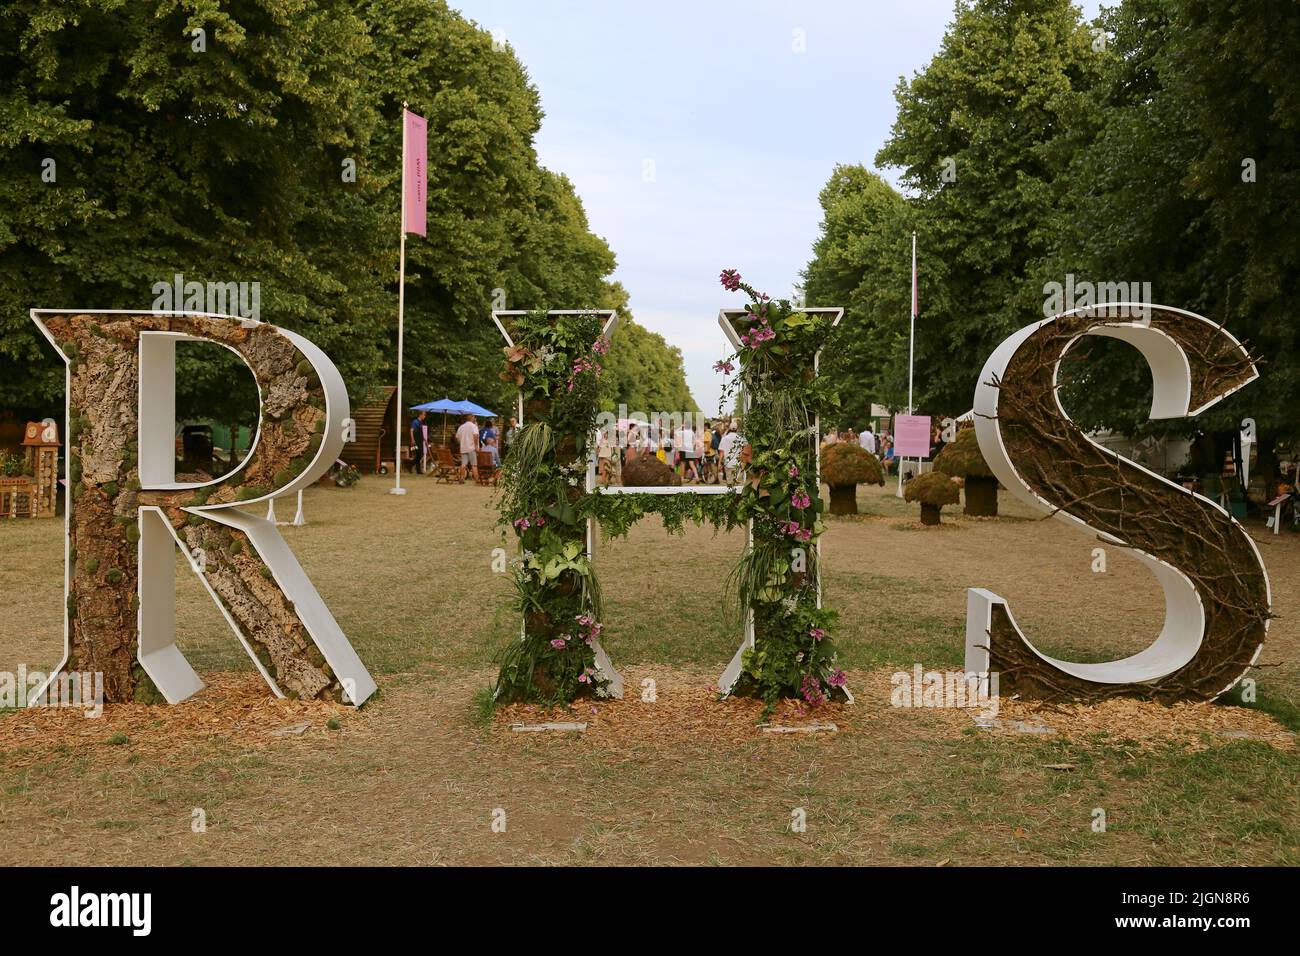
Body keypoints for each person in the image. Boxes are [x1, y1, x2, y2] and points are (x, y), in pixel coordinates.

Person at [455, 413, 479, 482]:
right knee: (474, 464)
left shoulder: (461, 427)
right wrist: (476, 446)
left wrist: (462, 442)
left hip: (463, 447)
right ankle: (477, 479)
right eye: (474, 417)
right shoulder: (474, 426)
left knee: (463, 464)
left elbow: (457, 437)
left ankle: (462, 478)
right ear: (471, 418)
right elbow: (475, 436)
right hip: (471, 447)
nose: (474, 418)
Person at [408, 410, 428, 474]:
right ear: (420, 415)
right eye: (424, 415)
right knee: (418, 454)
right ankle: (414, 467)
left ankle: (414, 467)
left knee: (420, 454)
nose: (425, 416)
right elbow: (411, 431)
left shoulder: (422, 422)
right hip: (416, 441)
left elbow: (422, 432)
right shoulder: (415, 422)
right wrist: (412, 440)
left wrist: (425, 439)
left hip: (420, 440)